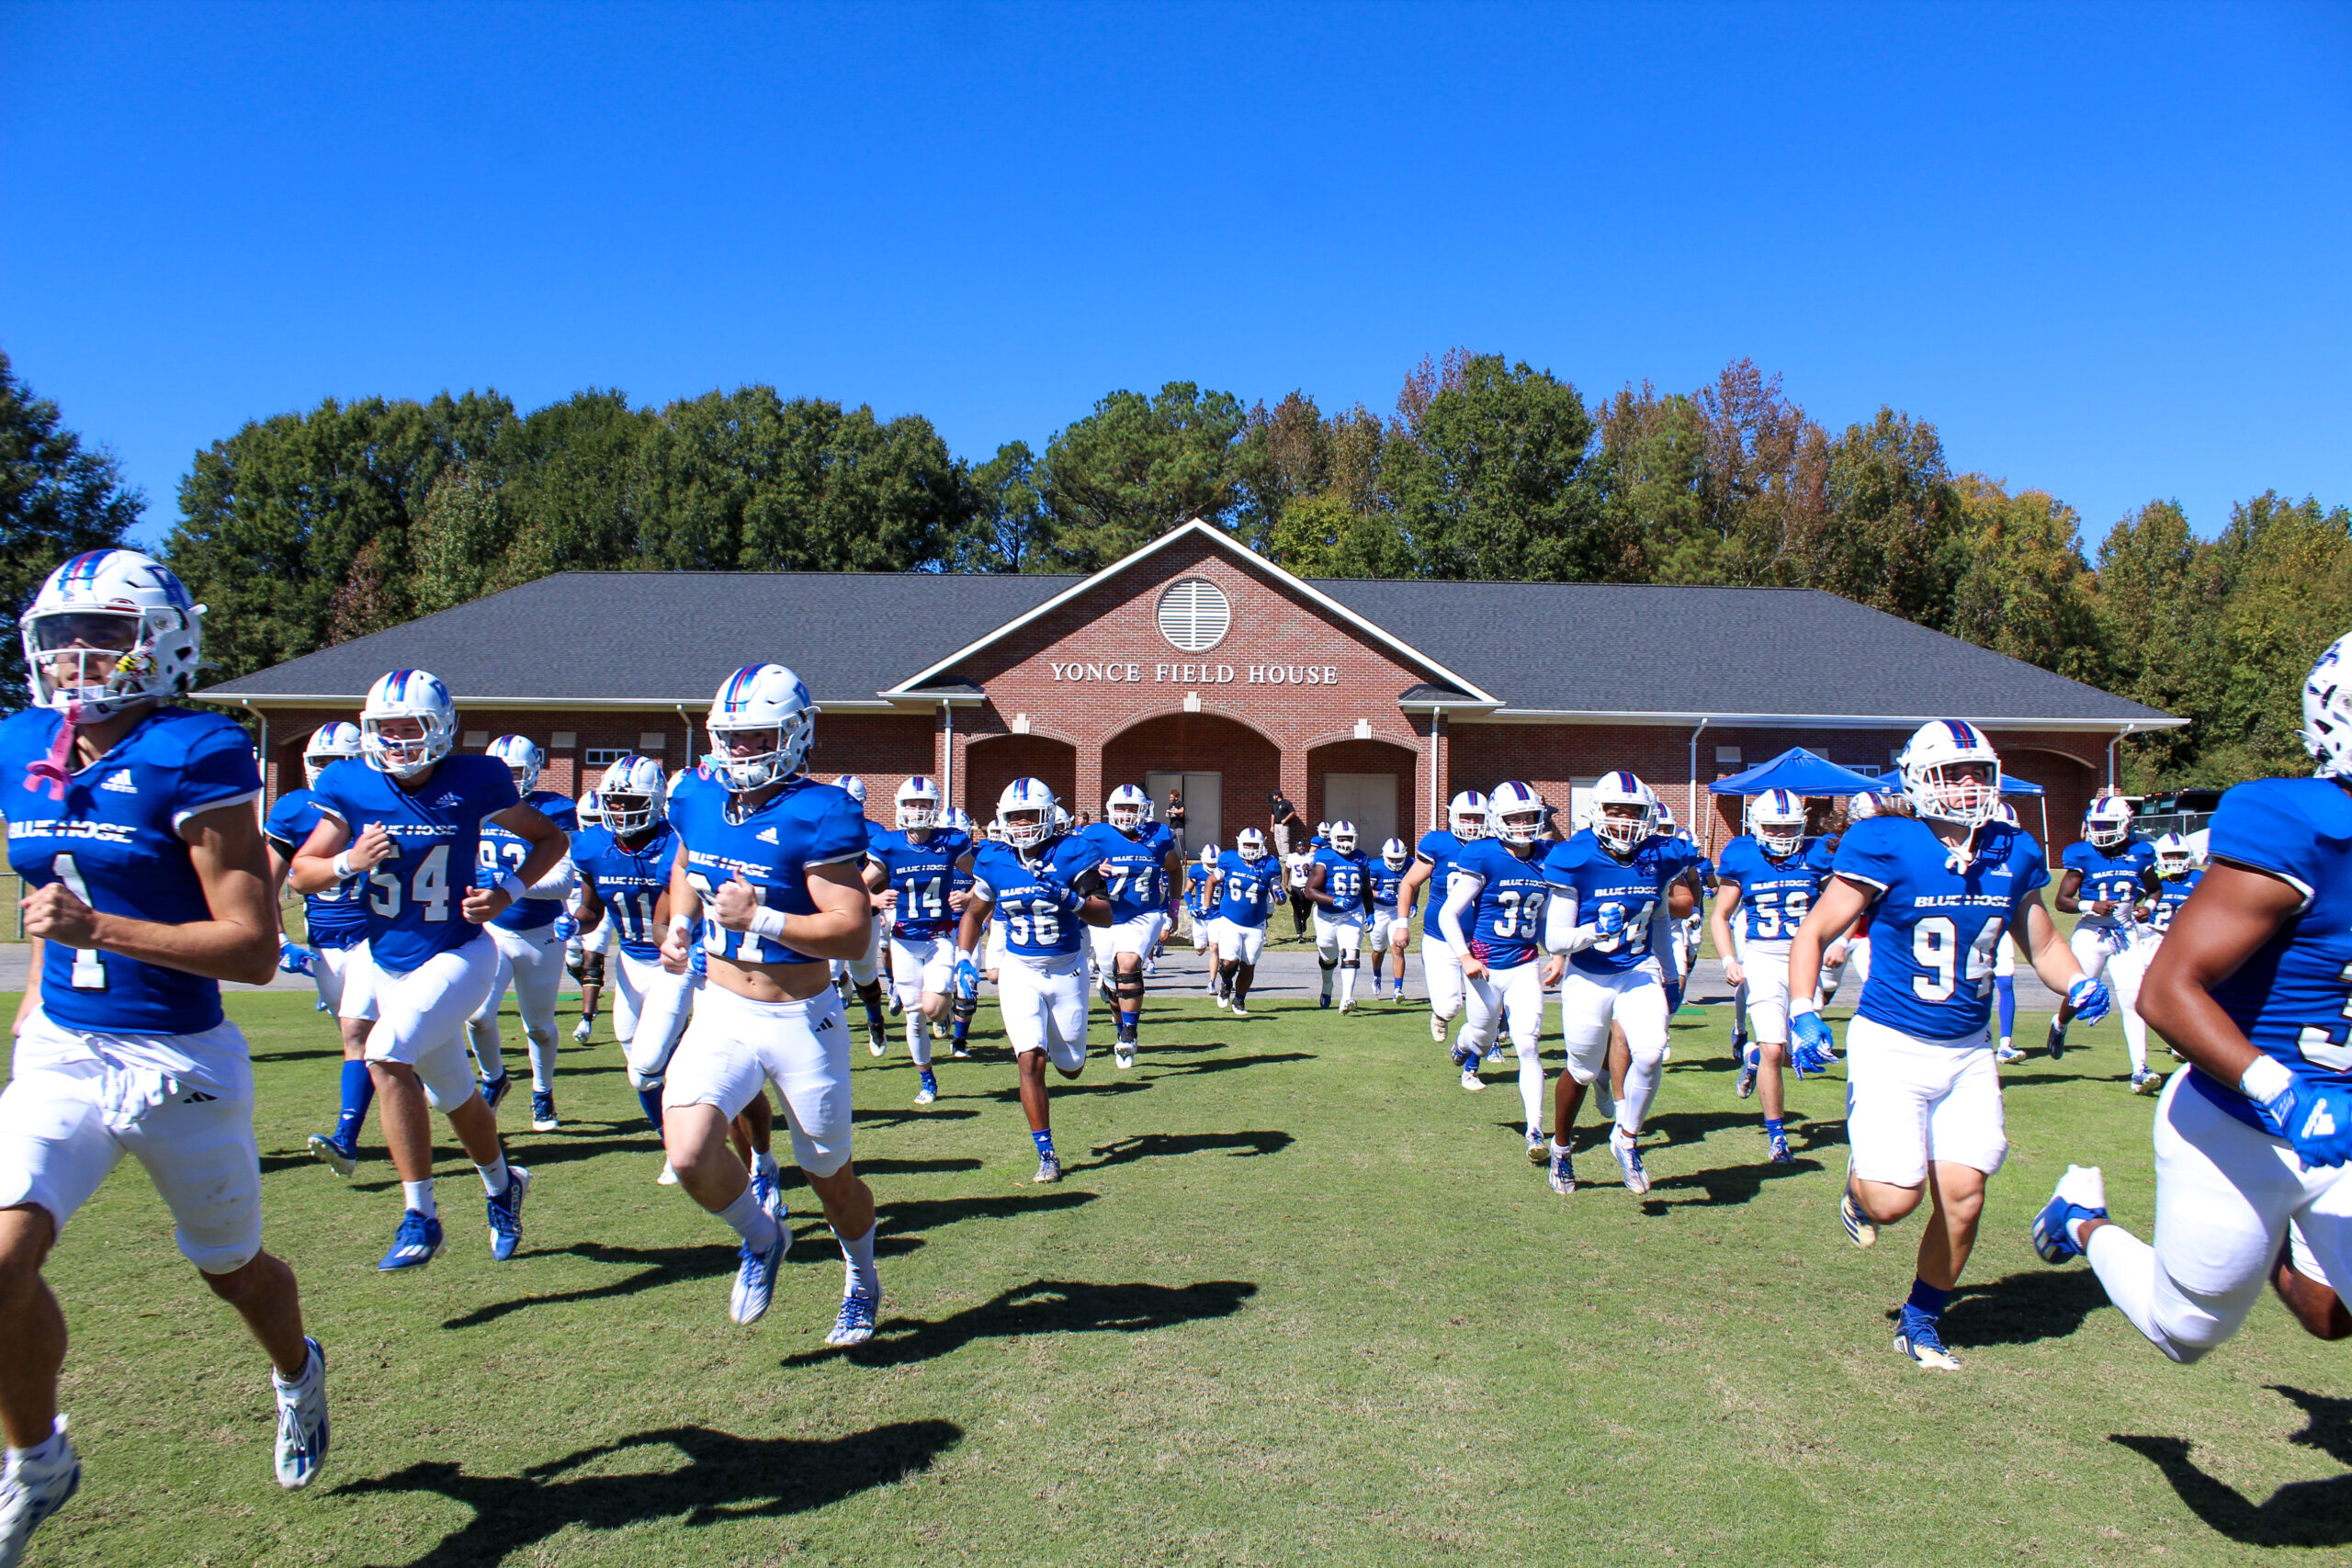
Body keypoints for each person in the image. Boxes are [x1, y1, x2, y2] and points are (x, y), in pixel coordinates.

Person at [0, 551, 328, 1559]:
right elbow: (49, 896)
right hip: (64, 1047)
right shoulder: (20, 739)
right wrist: (31, 1013)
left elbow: (252, 947)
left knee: (232, 1271)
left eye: (102, 633)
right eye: (62, 635)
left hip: (178, 1058)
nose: (77, 656)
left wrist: (99, 931)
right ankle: (37, 1458)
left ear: (161, 641)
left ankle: (298, 1372)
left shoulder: (197, 751)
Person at [2031, 634, 2352, 1364]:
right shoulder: (2302, 827)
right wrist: (2288, 1096)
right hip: (2239, 1119)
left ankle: (2275, 1240)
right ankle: (2083, 1220)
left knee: (2331, 1316)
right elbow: (2167, 990)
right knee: (2186, 1333)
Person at [1786, 720, 2107, 1372]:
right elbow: (1815, 930)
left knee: (1964, 1194)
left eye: (1977, 771)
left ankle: (1921, 1318)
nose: (1968, 784)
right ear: (1917, 778)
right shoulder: (1885, 840)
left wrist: (2078, 980)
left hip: (1967, 1048)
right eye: (1952, 771)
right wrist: (1802, 1010)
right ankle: (1856, 1191)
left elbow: (2041, 942)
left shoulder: (2012, 849)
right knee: (1893, 1200)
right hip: (1893, 1043)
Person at [291, 670, 571, 1270]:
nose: (395, 740)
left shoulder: (476, 779)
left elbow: (550, 840)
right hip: (391, 961)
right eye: (384, 728)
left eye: (408, 726)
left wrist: (505, 893)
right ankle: (503, 1185)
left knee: (385, 1052)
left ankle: (420, 1213)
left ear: (440, 727)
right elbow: (302, 871)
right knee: (456, 1095)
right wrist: (348, 859)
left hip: (462, 951)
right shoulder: (351, 783)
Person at [658, 665, 879, 1341]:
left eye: (758, 737)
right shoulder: (696, 794)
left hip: (799, 1016)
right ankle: (761, 1236)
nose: (741, 752)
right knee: (691, 1154)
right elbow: (688, 861)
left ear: (796, 734)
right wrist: (680, 921)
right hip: (721, 1004)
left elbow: (852, 929)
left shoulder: (821, 810)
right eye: (732, 737)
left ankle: (863, 1278)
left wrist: (762, 920)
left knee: (830, 1178)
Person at [1540, 773, 1698, 1196]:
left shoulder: (1661, 856)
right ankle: (1561, 1148)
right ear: (1597, 812)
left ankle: (1625, 1139)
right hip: (1589, 974)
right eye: (1615, 810)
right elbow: (1554, 939)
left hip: (1637, 967)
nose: (1625, 820)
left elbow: (1661, 917)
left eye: (1635, 812)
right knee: (1583, 1070)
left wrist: (1668, 972)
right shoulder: (1576, 857)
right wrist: (1592, 930)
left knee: (1651, 1052)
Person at [953, 779, 1112, 1182]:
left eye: (1029, 815)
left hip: (1067, 969)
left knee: (1071, 1066)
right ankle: (1046, 1153)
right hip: (1019, 970)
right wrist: (964, 959)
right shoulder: (993, 858)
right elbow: (974, 912)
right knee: (1030, 1059)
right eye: (1013, 817)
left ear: (1048, 816)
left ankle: (1071, 1054)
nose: (1022, 824)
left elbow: (1104, 914)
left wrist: (1070, 899)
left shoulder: (1074, 852)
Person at [572, 755, 704, 1181]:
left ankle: (684, 1144)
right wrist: (571, 921)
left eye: (630, 800)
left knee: (646, 1066)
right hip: (629, 960)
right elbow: (592, 912)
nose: (621, 810)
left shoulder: (676, 844)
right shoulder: (593, 845)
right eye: (614, 800)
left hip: (675, 963)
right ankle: (676, 1141)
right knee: (644, 1071)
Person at [262, 722, 378, 1176]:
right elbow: (266, 882)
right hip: (323, 943)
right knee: (369, 1045)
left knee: (358, 1034)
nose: (328, 773)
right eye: (321, 763)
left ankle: (346, 1138)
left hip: (376, 935)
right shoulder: (293, 808)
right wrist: (279, 941)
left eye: (338, 764)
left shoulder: (376, 799)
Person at [1709, 788, 1836, 1165]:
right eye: (1773, 827)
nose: (1781, 835)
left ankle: (1751, 1058)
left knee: (1801, 1051)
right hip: (1763, 956)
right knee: (1774, 1048)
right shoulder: (1741, 854)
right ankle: (1778, 1137)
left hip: (1806, 957)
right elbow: (1720, 915)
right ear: (1756, 824)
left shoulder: (1818, 852)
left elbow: (1840, 903)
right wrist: (1728, 959)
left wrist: (1838, 938)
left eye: (1788, 827)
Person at [465, 736, 579, 1132]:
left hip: (540, 931)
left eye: (516, 772)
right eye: (503, 772)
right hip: (492, 930)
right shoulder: (477, 803)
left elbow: (563, 883)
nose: (509, 780)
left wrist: (504, 886)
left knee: (538, 1025)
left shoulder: (556, 809)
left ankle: (543, 1092)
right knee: (478, 1015)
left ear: (532, 771)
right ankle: (494, 1079)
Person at [1442, 784, 1557, 1157]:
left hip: (1525, 963)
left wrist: (1557, 954)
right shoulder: (1483, 854)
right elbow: (1448, 914)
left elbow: (1546, 917)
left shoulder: (1547, 856)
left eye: (1529, 816)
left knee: (1527, 1045)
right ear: (1497, 821)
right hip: (1484, 966)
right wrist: (1465, 958)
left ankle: (1535, 1131)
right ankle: (1464, 1045)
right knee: (1481, 1034)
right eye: (1514, 818)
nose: (1524, 825)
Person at [865, 775, 972, 1103]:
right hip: (903, 939)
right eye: (912, 803)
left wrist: (968, 897)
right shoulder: (888, 843)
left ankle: (946, 997)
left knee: (934, 1010)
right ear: (900, 807)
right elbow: (858, 886)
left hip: (940, 937)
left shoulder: (951, 841)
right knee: (914, 1016)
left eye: (924, 804)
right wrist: (873, 900)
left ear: (935, 807)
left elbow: (983, 877)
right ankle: (927, 1079)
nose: (917, 810)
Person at [2047, 794, 2156, 1059]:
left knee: (2133, 999)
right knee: (2081, 994)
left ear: (2126, 824)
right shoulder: (2082, 855)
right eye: (2096, 825)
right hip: (2091, 934)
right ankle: (2059, 1024)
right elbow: (2062, 901)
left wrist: (2148, 908)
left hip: (2125, 934)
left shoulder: (2141, 853)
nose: (2100, 832)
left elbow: (2155, 889)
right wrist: (2090, 905)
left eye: (2107, 825)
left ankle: (2140, 1069)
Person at [1082, 784, 1184, 1067]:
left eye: (1131, 808)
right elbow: (1069, 870)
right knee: (1113, 982)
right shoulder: (1094, 835)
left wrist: (1172, 910)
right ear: (1110, 810)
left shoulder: (1158, 835)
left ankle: (1129, 1032)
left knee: (1128, 964)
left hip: (1144, 912)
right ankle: (1121, 1027)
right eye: (1121, 808)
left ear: (1143, 810)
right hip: (1104, 916)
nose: (1126, 815)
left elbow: (1175, 869)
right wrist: (1090, 871)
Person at [2101, 832, 2201, 1095]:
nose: (2176, 862)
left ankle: (2180, 1045)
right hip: (2147, 941)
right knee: (2141, 1001)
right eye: (2171, 856)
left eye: (2180, 856)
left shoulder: (2200, 881)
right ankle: (2148, 1061)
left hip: (2181, 946)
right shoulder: (2150, 881)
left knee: (2181, 997)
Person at [1395, 792, 1491, 1050]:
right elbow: (1409, 882)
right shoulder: (1438, 843)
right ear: (1453, 817)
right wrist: (1402, 923)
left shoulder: (1494, 846)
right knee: (1450, 1007)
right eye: (1466, 817)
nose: (1472, 823)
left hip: (1481, 939)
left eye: (1477, 817)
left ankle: (1479, 1045)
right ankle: (1440, 1014)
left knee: (1488, 1007)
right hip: (1440, 937)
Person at [829, 775, 892, 1056]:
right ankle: (830, 1032)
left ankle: (875, 1020)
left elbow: (883, 872)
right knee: (827, 972)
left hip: (866, 913)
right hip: (828, 911)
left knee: (864, 976)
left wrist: (873, 900)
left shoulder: (875, 833)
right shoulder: (817, 830)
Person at [1207, 829, 1281, 1016]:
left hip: (1256, 923)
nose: (1250, 849)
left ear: (1262, 846)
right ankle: (1225, 984)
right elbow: (1211, 880)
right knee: (1229, 960)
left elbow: (1276, 887)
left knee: (1249, 964)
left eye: (1254, 845)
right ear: (1240, 844)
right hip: (1230, 920)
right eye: (1247, 845)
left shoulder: (1270, 864)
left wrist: (1279, 895)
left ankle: (1239, 1000)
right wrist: (1207, 905)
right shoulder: (1229, 859)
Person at [1306, 820, 1374, 1012]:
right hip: (1326, 916)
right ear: (1334, 839)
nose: (1345, 842)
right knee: (1328, 956)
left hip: (1352, 913)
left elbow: (1366, 888)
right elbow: (1309, 891)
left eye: (1349, 838)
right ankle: (1327, 985)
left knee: (1351, 952)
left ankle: (1347, 999)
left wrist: (1370, 913)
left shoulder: (1361, 858)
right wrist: (1333, 900)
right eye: (1342, 838)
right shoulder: (1325, 856)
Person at [568, 789, 607, 1043]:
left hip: (601, 907)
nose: (594, 826)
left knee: (593, 959)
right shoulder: (569, 842)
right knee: (573, 959)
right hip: (570, 906)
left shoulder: (613, 842)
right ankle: (589, 986)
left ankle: (586, 1019)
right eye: (589, 819)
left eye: (598, 819)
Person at [1367, 838, 1409, 1001]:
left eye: (1399, 859)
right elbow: (1365, 890)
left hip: (1397, 911)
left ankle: (1398, 989)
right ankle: (1376, 975)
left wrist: (1412, 904)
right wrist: (1378, 894)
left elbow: (1415, 886)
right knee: (1379, 949)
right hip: (1379, 911)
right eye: (1392, 859)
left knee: (1398, 948)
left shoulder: (1410, 864)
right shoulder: (1375, 867)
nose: (1396, 862)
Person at [1187, 842, 1222, 995]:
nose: (1212, 866)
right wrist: (1190, 905)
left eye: (1215, 863)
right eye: (1209, 863)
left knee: (1214, 947)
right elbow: (1187, 891)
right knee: (1200, 950)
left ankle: (1212, 982)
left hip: (1217, 915)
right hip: (1201, 917)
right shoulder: (1196, 870)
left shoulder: (1225, 872)